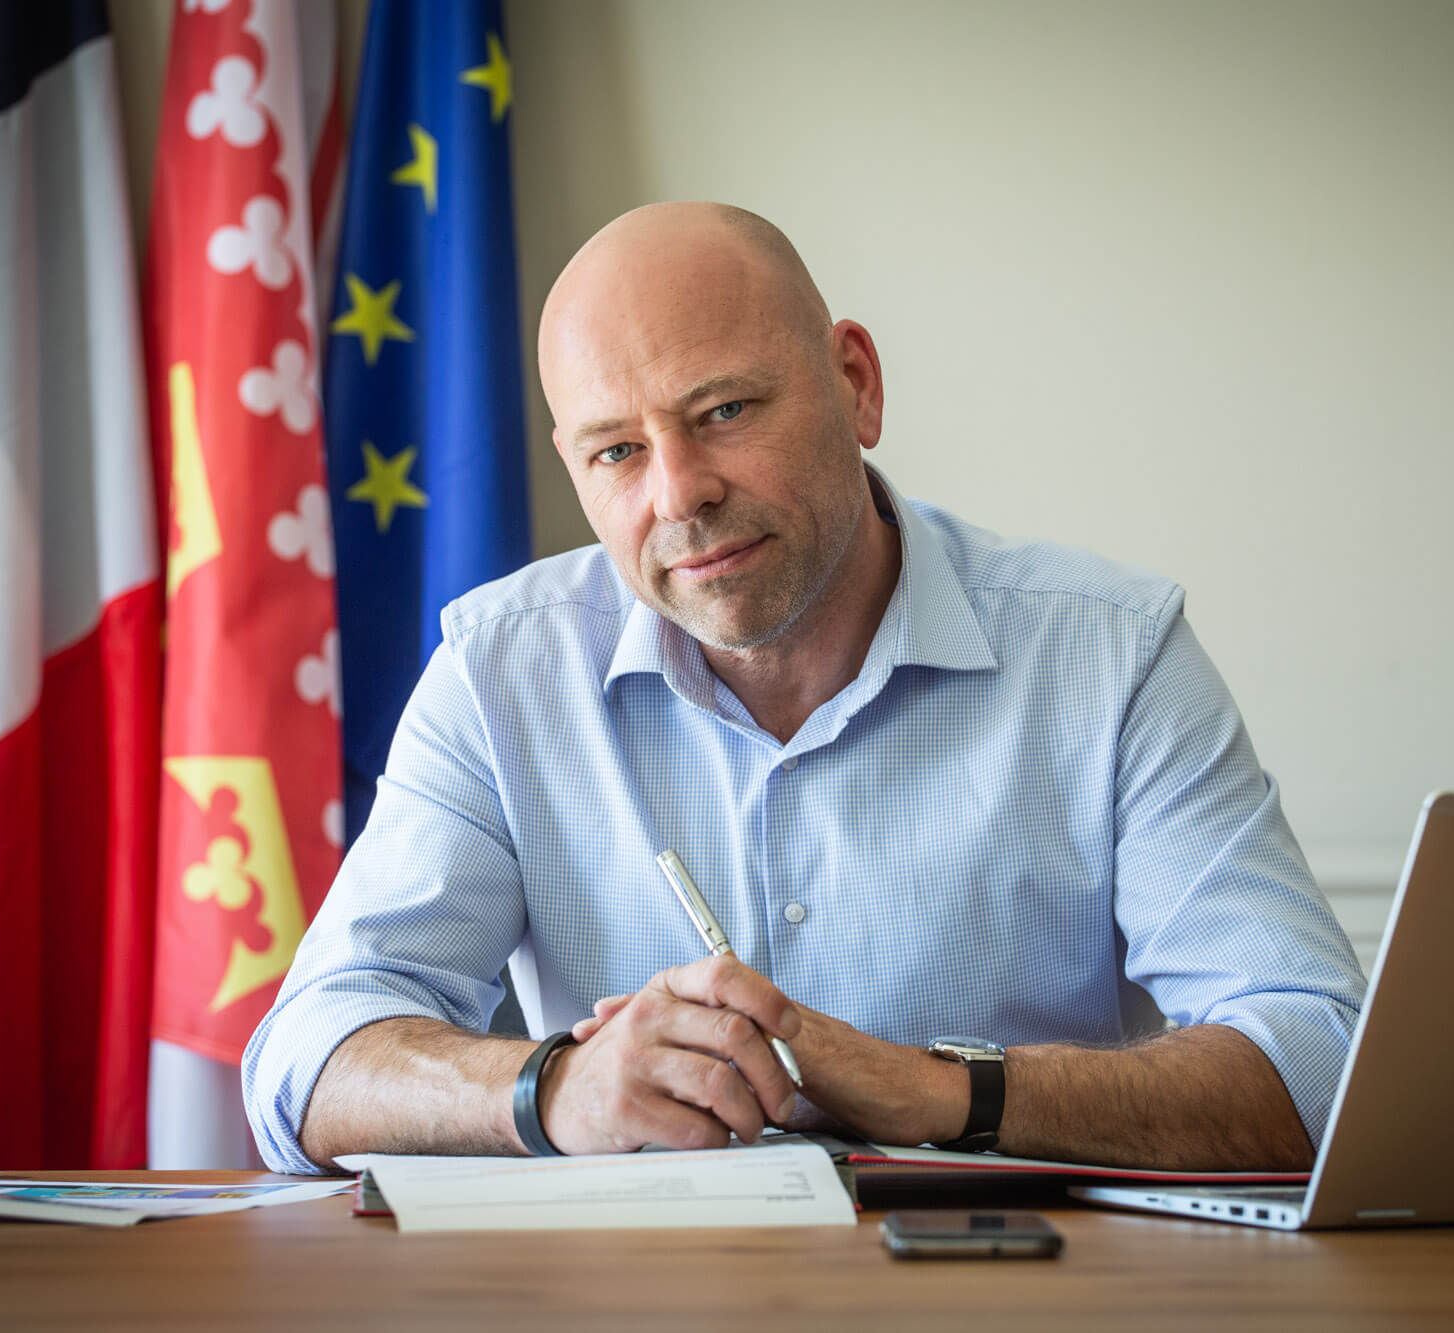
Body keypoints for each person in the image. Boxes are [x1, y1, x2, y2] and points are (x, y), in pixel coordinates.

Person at [242, 202, 1366, 1175]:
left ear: (855, 386)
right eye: (617, 452)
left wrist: (943, 1090)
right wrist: (551, 1088)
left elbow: (1318, 1062)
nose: (679, 494)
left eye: (723, 412)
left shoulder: (1110, 655)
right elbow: (302, 1064)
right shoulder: (501, 669)